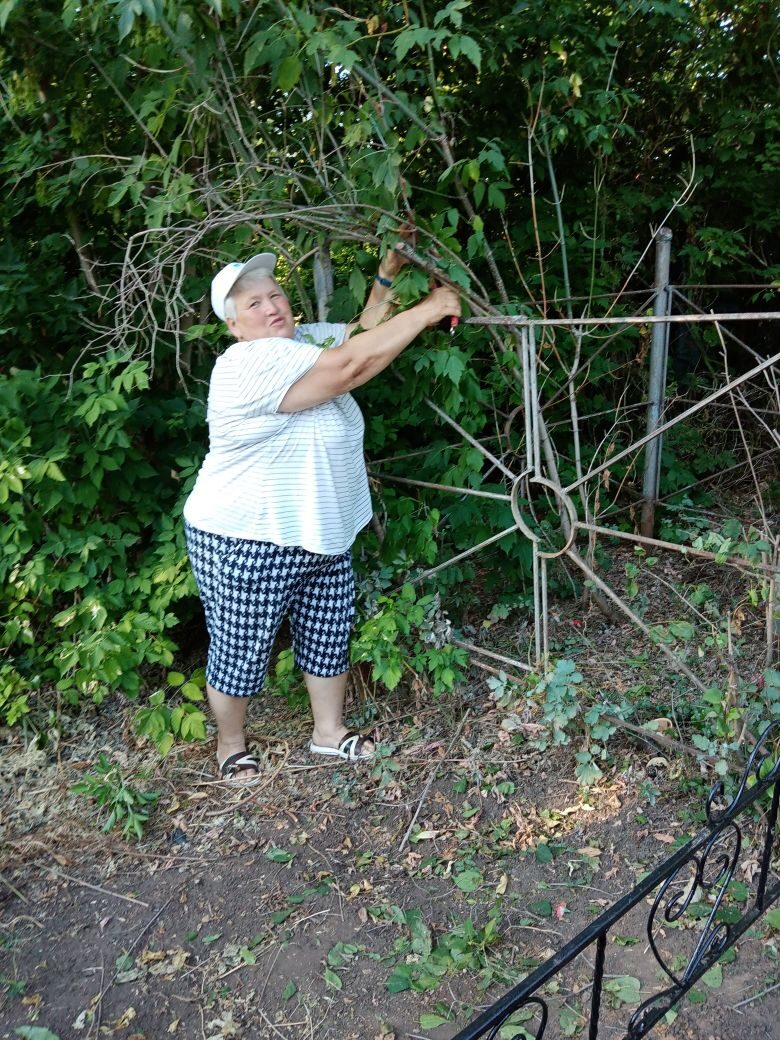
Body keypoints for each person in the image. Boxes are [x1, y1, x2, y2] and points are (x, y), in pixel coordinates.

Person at [183, 242, 460, 784]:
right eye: (254, 304)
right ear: (235, 326)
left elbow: (359, 336)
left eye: (276, 294)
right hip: (247, 535)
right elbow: (353, 365)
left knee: (328, 631)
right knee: (241, 646)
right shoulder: (247, 362)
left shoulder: (301, 342)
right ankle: (231, 745)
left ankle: (328, 735)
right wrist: (429, 309)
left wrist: (385, 278)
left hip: (319, 529)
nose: (271, 307)